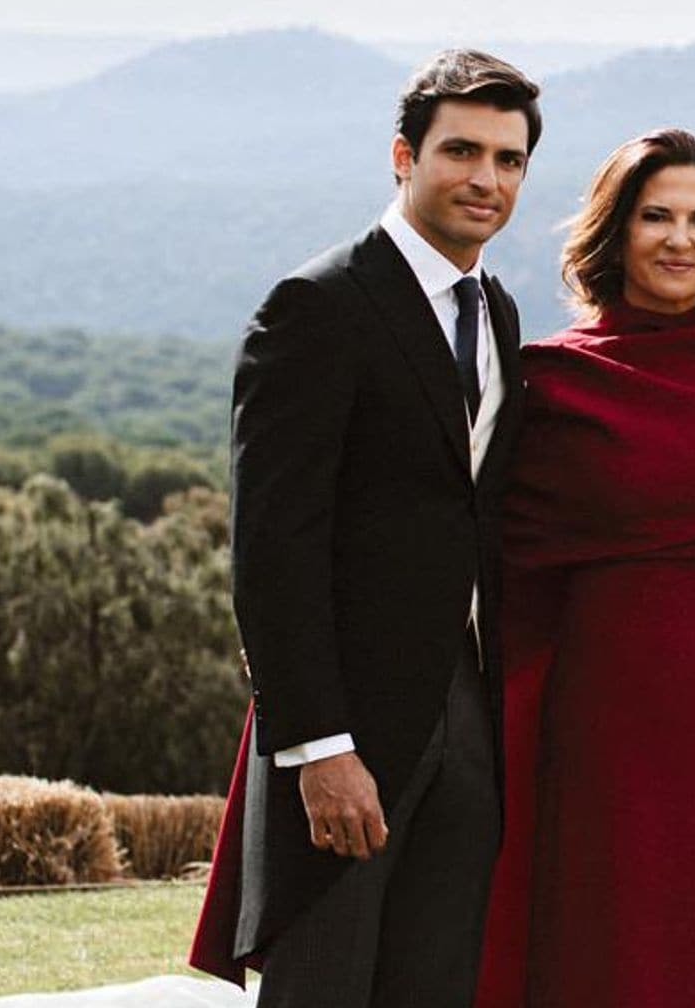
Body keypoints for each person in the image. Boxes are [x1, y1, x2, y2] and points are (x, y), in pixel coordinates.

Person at [189, 49, 541, 1008]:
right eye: (461, 150)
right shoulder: (318, 306)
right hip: (350, 732)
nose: (486, 178)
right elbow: (273, 549)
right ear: (403, 156)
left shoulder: (499, 311)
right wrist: (317, 748)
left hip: (466, 713)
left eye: (509, 160)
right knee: (324, 990)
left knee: (435, 985)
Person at [468, 127, 695, 1008]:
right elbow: (484, 551)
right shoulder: (548, 381)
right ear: (614, 231)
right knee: (594, 933)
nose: (680, 239)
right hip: (591, 712)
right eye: (655, 216)